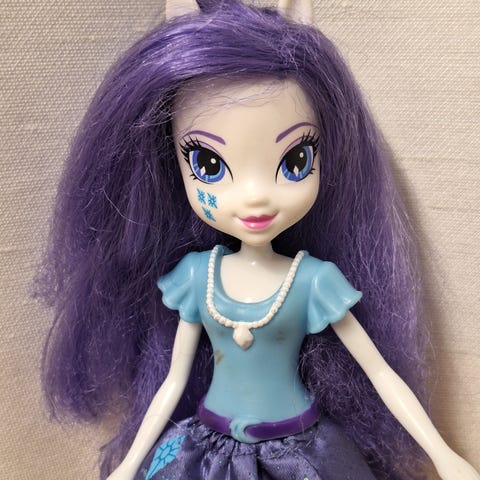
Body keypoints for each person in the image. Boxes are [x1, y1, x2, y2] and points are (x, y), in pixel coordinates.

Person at [40, 0, 480, 479]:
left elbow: (379, 372)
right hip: (207, 454)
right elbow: (172, 383)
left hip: (300, 456)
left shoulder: (312, 282)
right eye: (209, 165)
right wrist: (128, 464)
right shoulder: (197, 278)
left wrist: (441, 454)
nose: (255, 198)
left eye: (295, 162)